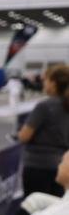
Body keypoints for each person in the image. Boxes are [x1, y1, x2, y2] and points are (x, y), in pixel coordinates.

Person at [16, 65, 69, 198]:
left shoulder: (45, 107)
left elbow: (24, 136)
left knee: (34, 211)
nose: (44, 83)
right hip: (63, 167)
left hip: (38, 166)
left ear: (54, 83)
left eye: (46, 80)